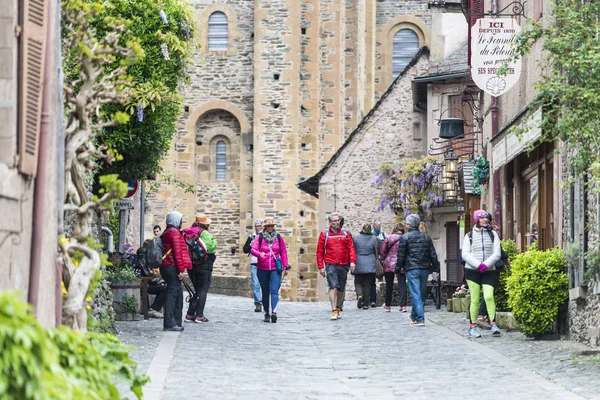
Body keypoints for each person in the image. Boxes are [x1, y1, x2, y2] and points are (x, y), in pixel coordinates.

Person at [462, 209, 502, 338]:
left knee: (489, 296)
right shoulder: (469, 236)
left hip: (489, 270)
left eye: (486, 217)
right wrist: (478, 265)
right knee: (474, 299)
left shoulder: (493, 235)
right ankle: (472, 327)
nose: (485, 220)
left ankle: (493, 323)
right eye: (482, 217)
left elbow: (497, 253)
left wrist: (486, 264)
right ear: (476, 220)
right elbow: (465, 254)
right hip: (472, 271)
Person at [395, 214, 439, 326]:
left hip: (412, 268)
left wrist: (397, 269)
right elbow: (433, 254)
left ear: (409, 225)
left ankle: (420, 318)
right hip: (424, 268)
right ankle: (414, 316)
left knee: (416, 294)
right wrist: (435, 269)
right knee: (421, 292)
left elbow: (401, 256)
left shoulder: (405, 237)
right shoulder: (426, 237)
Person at [316, 213, 356, 321]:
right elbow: (319, 251)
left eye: (338, 220)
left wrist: (352, 262)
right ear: (330, 222)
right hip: (330, 263)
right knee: (333, 286)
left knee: (341, 288)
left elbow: (351, 248)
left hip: (343, 264)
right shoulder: (325, 234)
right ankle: (333, 310)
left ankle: (338, 307)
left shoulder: (345, 233)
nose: (337, 222)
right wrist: (321, 267)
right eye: (334, 221)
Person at [250, 217, 289, 323]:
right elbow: (253, 250)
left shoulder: (279, 237)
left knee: (274, 290)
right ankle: (267, 312)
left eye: (272, 226)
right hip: (262, 268)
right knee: (265, 291)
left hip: (275, 269)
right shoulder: (260, 237)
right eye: (268, 226)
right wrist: (259, 254)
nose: (270, 227)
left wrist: (285, 266)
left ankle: (274, 312)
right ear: (265, 227)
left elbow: (283, 252)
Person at [160, 211, 192, 332]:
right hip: (171, 266)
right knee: (172, 294)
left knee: (177, 293)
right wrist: (180, 270)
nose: (181, 222)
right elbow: (177, 254)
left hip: (166, 266)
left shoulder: (167, 232)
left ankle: (176, 321)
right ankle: (169, 323)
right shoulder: (174, 233)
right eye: (180, 219)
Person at [183, 213, 218, 324]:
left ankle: (189, 314)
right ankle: (199, 315)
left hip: (191, 265)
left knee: (196, 290)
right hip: (204, 265)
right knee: (202, 290)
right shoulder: (204, 233)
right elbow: (211, 248)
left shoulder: (189, 232)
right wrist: (215, 242)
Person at [475, 221, 510, 329]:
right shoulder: (490, 236)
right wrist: (505, 258)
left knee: (486, 294)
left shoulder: (476, 235)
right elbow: (499, 251)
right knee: (488, 293)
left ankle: (485, 317)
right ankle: (481, 317)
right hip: (491, 268)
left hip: (480, 267)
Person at [379, 223, 406, 312]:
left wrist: (383, 262)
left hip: (389, 263)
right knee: (402, 285)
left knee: (389, 285)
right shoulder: (405, 238)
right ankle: (403, 306)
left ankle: (388, 305)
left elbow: (383, 251)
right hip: (401, 264)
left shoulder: (389, 238)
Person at [138, 239, 166, 318]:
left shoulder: (145, 255)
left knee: (164, 287)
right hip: (145, 283)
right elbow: (146, 273)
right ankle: (153, 309)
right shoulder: (143, 254)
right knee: (164, 288)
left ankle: (154, 309)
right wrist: (158, 280)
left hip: (147, 282)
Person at [353, 223, 377, 310]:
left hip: (358, 262)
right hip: (370, 264)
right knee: (367, 284)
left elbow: (353, 249)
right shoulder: (374, 239)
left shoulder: (355, 238)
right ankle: (366, 304)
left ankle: (359, 295)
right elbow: (377, 250)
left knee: (358, 282)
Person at [243, 219, 264, 312]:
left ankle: (265, 302)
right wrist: (251, 245)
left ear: (263, 227)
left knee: (264, 285)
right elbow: (245, 250)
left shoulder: (266, 237)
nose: (258, 228)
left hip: (264, 263)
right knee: (255, 284)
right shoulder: (251, 237)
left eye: (259, 226)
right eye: (256, 226)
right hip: (254, 263)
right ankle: (258, 303)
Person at [370, 222, 386, 307]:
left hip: (380, 259)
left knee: (380, 277)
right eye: (377, 226)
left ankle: (380, 297)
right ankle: (372, 298)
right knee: (372, 279)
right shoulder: (371, 235)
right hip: (374, 259)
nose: (378, 227)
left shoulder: (383, 233)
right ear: (373, 226)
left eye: (379, 226)